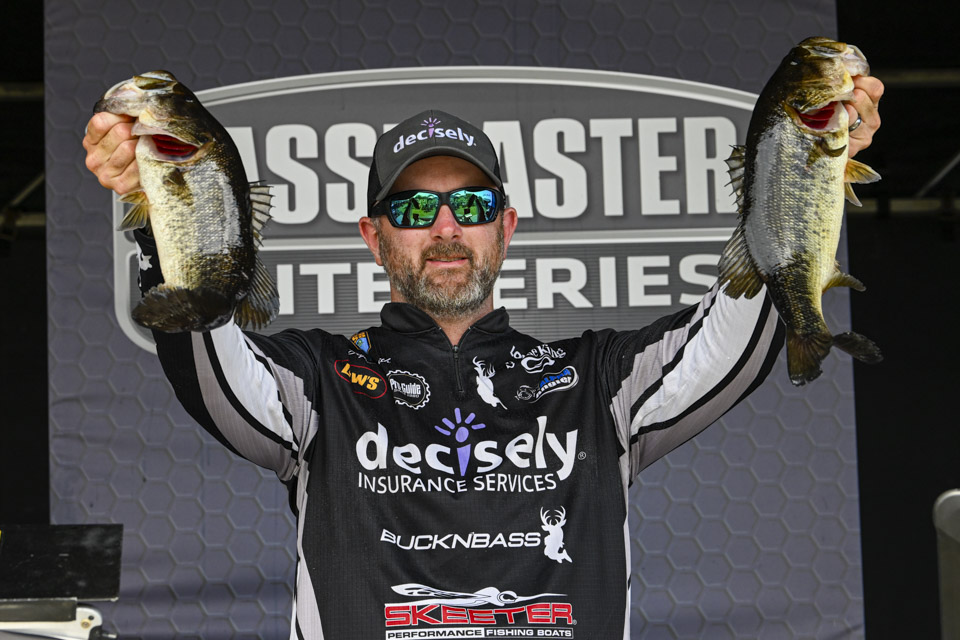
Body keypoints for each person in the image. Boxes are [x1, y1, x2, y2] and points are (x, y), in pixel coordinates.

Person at [83, 76, 883, 638]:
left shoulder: (598, 383)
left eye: (470, 204)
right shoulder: (317, 382)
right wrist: (160, 214)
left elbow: (736, 338)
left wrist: (805, 165)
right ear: (373, 236)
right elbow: (209, 359)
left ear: (505, 227)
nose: (445, 228)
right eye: (413, 208)